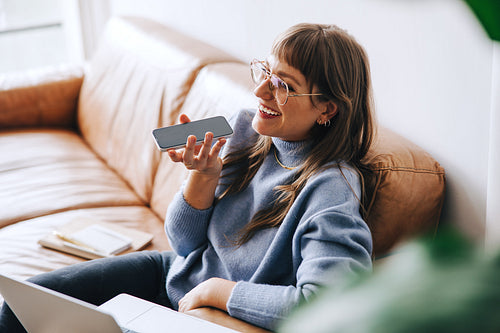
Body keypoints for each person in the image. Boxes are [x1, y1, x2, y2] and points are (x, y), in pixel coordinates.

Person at [0, 23, 375, 332]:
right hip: (171, 274)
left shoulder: (330, 189)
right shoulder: (247, 130)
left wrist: (219, 292)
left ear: (327, 108)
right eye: (266, 72)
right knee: (18, 308)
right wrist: (203, 176)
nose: (260, 90)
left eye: (283, 86)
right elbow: (182, 243)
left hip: (211, 316)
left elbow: (329, 306)